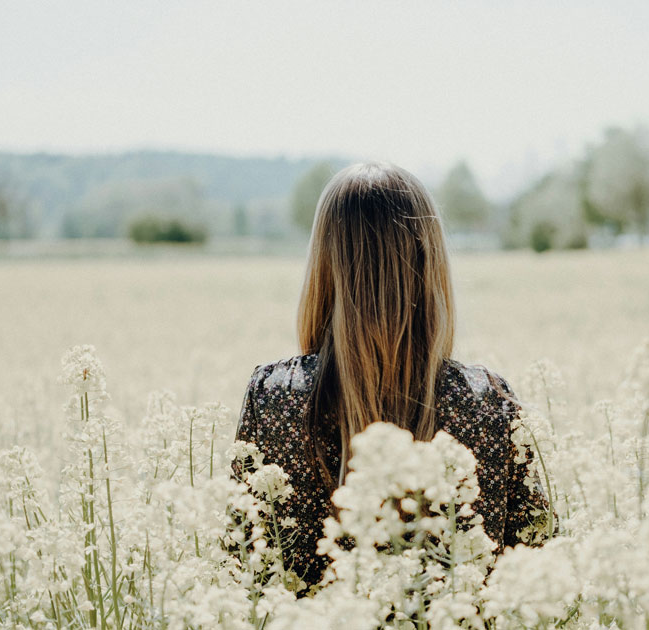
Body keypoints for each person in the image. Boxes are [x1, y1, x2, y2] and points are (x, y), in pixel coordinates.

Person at [231, 161, 554, 594]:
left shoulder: (274, 396)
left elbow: (241, 571)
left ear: (324, 270)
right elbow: (537, 572)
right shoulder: (489, 403)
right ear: (431, 267)